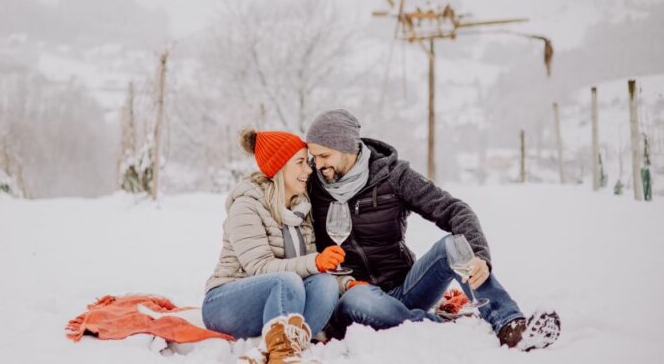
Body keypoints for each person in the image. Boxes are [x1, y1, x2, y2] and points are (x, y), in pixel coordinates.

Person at [305, 109, 561, 351]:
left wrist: (479, 257)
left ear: (346, 147)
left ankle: (510, 325)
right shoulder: (312, 187)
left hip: (404, 287)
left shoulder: (392, 176)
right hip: (353, 294)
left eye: (324, 156)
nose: (317, 164)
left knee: (452, 246)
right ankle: (434, 325)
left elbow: (455, 210)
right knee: (360, 298)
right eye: (313, 156)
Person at [203, 128, 345, 363]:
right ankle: (284, 352)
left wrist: (344, 281)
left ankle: (280, 347)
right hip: (225, 302)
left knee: (325, 283)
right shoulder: (247, 206)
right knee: (286, 280)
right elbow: (259, 267)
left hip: (281, 300)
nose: (308, 170)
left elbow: (310, 268)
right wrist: (315, 261)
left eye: (307, 162)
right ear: (279, 167)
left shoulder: (301, 208)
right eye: (300, 162)